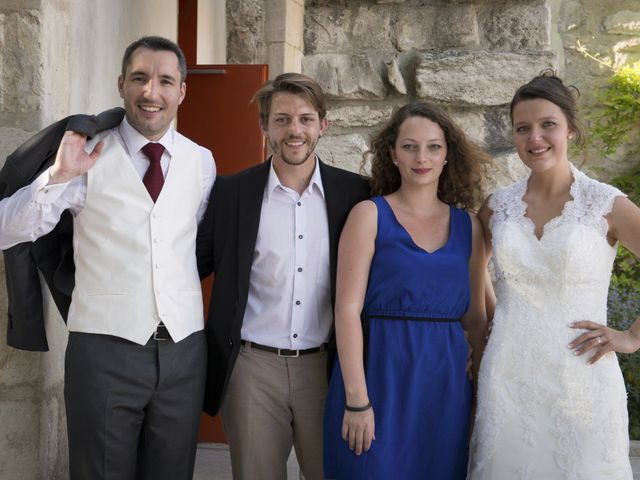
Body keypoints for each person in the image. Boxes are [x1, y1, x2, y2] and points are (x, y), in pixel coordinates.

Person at [0, 36, 215, 480]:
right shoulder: (86, 155)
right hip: (103, 353)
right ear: (121, 84)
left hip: (184, 353)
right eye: (139, 78)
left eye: (164, 81)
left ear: (182, 91)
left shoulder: (202, 162)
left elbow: (185, 244)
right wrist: (59, 176)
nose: (151, 92)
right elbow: (8, 228)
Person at [195, 72, 370, 480]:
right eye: (282, 119)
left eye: (306, 119)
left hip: (327, 369)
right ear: (264, 126)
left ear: (323, 126)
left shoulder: (356, 194)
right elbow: (189, 268)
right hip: (252, 370)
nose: (295, 130)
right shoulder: (231, 193)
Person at [467, 71, 640, 479]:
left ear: (571, 130)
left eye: (548, 125)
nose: (535, 138)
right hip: (507, 379)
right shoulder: (498, 206)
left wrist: (632, 337)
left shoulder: (604, 203)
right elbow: (473, 278)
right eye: (522, 128)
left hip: (582, 380)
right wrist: (479, 340)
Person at [322, 101, 490, 479]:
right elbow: (347, 310)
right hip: (379, 378)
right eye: (410, 146)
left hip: (446, 389)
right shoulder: (369, 216)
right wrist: (357, 400)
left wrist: (480, 399)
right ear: (393, 154)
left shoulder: (470, 228)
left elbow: (476, 321)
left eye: (434, 146)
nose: (422, 157)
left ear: (448, 155)